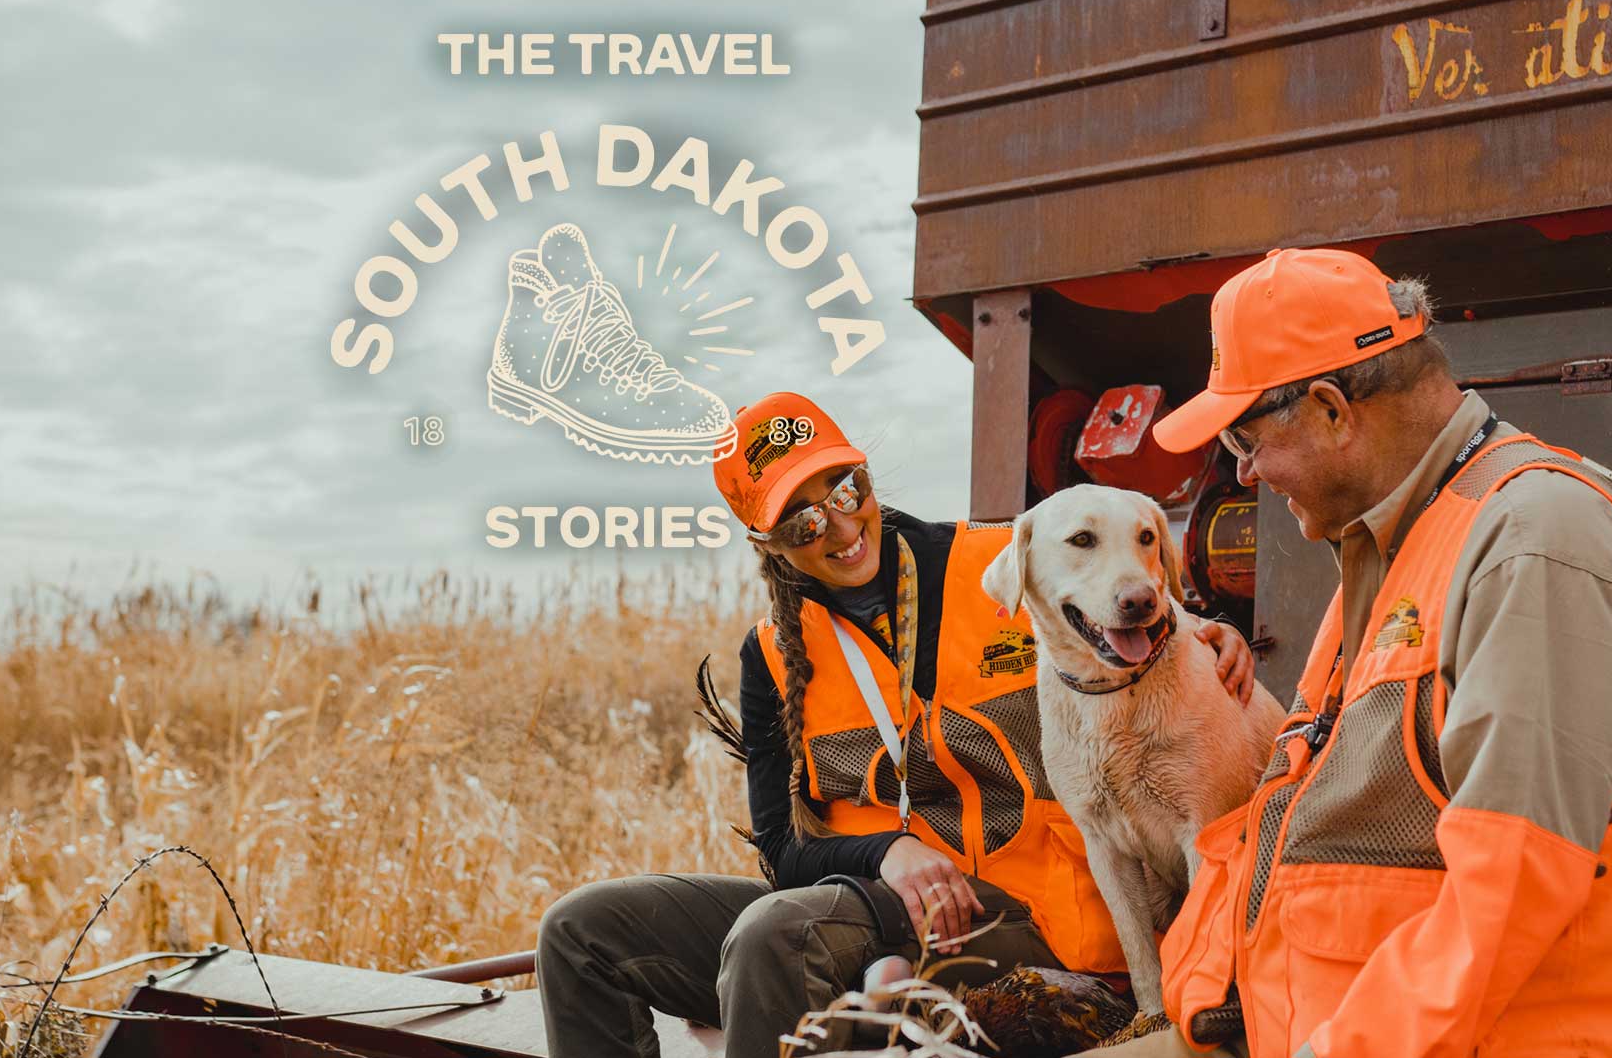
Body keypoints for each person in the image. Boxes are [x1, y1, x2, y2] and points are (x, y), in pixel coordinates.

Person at [1093, 248, 1612, 1058]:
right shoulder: (1398, 545)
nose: (1244, 473)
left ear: (1330, 410)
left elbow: (1514, 884)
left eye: (1246, 440)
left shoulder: (1531, 543)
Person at [536, 391, 1257, 1058]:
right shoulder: (771, 655)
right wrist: (890, 852)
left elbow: (1120, 605)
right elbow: (783, 853)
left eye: (847, 489)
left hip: (1034, 917)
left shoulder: (1001, 568)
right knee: (579, 930)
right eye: (804, 520)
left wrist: (1206, 633)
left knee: (774, 937)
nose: (843, 527)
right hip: (869, 908)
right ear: (768, 543)